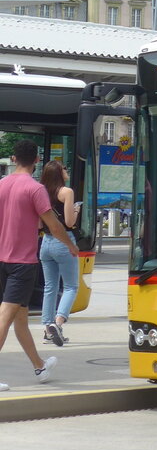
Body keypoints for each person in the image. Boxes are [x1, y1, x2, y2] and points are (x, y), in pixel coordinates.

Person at [0, 139, 77, 390]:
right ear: (36, 160)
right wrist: (70, 245)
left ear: (14, 158)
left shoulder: (2, 184)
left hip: (2, 259)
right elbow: (54, 225)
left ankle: (40, 366)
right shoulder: (35, 189)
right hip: (22, 263)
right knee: (4, 318)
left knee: (20, 319)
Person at [38, 160, 80, 347]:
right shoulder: (67, 192)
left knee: (50, 287)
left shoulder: (41, 192)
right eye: (64, 168)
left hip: (45, 242)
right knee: (71, 286)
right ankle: (58, 322)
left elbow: (39, 224)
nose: (66, 170)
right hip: (64, 241)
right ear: (58, 173)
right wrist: (76, 211)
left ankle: (48, 328)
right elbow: (69, 222)